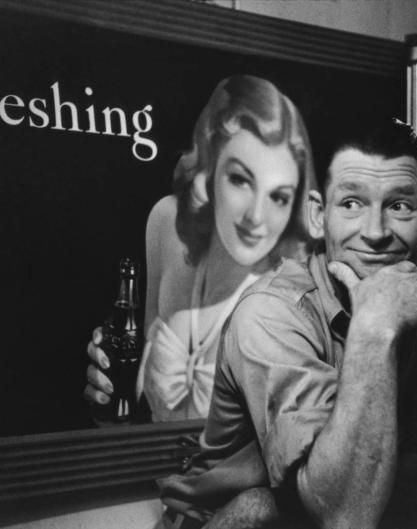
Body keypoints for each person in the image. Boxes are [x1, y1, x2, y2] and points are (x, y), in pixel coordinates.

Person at [157, 118, 417, 529]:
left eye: (399, 206)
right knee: (258, 509)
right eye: (351, 204)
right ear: (318, 216)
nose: (376, 233)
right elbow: (344, 515)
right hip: (225, 521)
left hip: (362, 506)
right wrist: (374, 331)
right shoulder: (269, 312)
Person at [84, 75, 316, 422]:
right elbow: (139, 393)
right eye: (240, 179)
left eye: (279, 196)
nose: (256, 216)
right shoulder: (165, 220)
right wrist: (106, 396)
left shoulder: (292, 290)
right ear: (209, 168)